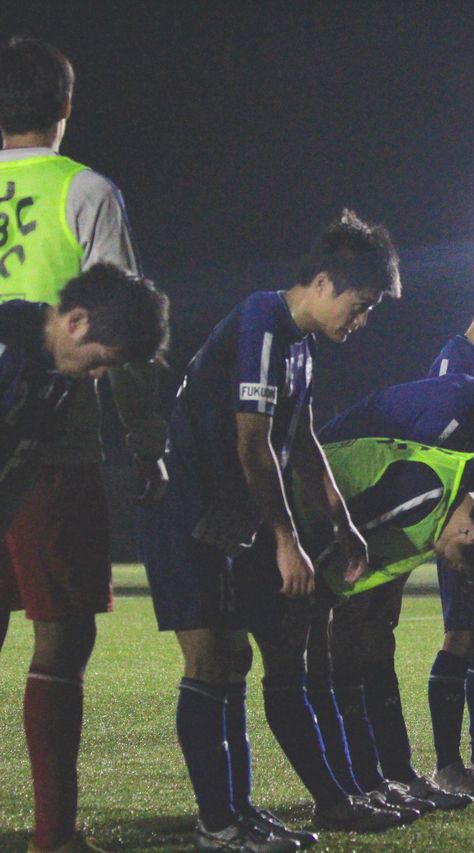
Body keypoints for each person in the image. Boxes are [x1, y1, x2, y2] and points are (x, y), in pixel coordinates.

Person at [138, 210, 404, 850]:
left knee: (235, 659)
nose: (361, 321)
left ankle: (237, 812)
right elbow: (252, 444)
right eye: (360, 305)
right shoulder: (262, 318)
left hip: (226, 524)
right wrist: (286, 538)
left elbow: (302, 438)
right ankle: (218, 824)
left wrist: (341, 519)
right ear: (322, 282)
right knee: (210, 659)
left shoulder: (301, 348)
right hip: (186, 512)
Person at [0, 36, 169, 853]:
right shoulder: (87, 191)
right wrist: (147, 436)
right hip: (52, 447)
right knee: (62, 634)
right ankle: (53, 836)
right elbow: (123, 323)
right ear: (64, 109)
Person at [316, 370, 474, 799]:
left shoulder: (468, 434)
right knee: (350, 636)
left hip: (366, 522)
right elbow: (385, 500)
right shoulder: (442, 420)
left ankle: (393, 774)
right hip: (330, 509)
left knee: (377, 635)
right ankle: (357, 784)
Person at [0, 267, 168, 532]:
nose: (98, 374)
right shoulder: (9, 342)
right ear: (76, 322)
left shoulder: (58, 374)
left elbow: (21, 469)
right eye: (101, 360)